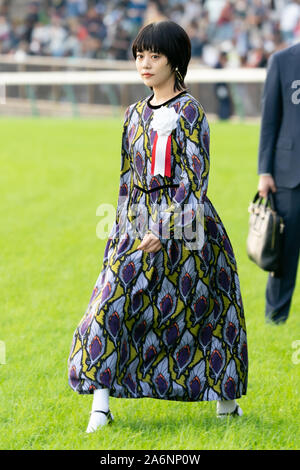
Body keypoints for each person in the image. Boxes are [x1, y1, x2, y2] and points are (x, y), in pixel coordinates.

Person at [68, 20, 248, 433]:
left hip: (189, 232)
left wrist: (166, 229)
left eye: (155, 56)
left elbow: (195, 180)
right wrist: (122, 229)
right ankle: (100, 404)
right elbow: (127, 178)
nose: (145, 64)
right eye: (139, 56)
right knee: (110, 303)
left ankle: (225, 401)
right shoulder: (131, 114)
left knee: (205, 313)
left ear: (175, 61)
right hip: (135, 227)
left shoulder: (190, 111)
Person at [257, 41, 300, 324]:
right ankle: (275, 318)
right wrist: (265, 171)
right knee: (283, 252)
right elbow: (270, 120)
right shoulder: (282, 60)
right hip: (289, 173)